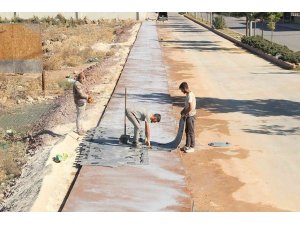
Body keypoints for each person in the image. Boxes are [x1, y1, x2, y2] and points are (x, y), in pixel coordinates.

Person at [179, 82, 196, 153]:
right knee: (187, 131)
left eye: (182, 90)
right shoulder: (188, 94)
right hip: (188, 115)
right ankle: (187, 145)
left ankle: (192, 147)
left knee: (191, 131)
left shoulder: (190, 96)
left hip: (191, 116)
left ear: (185, 88)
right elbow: (187, 106)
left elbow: (190, 108)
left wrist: (184, 113)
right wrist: (182, 111)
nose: (181, 91)